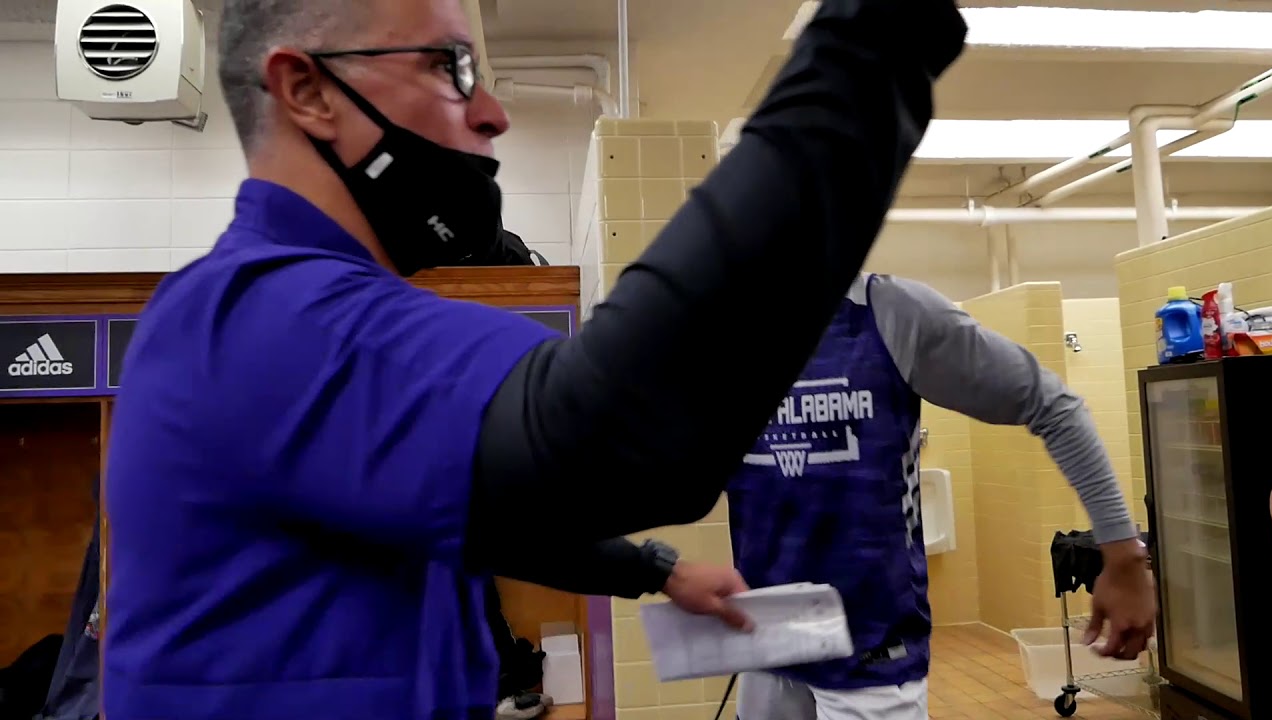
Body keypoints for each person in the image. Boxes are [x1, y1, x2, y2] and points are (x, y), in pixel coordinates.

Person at [101, 0, 969, 717]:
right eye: (450, 68)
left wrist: (655, 568)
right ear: (307, 91)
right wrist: (874, 38)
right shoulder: (265, 318)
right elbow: (622, 432)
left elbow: (486, 510)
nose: (492, 112)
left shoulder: (269, 322)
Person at [730, 273, 1158, 720]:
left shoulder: (889, 314)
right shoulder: (716, 328)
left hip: (872, 652)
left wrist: (1122, 554)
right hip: (768, 641)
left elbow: (1053, 406)